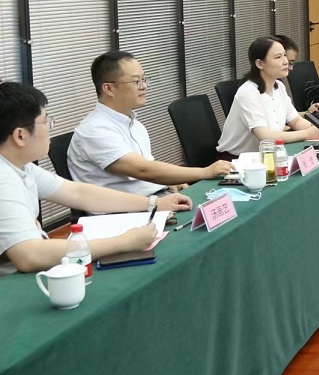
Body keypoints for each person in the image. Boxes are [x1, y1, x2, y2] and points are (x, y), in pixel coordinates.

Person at [0, 82, 192, 274]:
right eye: (45, 122)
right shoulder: (4, 179)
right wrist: (123, 242)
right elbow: (30, 255)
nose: (50, 127)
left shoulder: (22, 166)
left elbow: (79, 193)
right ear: (20, 136)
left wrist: (153, 204)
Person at [68, 51, 232, 196]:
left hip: (157, 200)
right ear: (108, 89)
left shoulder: (135, 125)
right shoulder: (94, 131)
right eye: (136, 81)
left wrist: (173, 182)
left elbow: (148, 169)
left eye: (144, 79)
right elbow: (143, 170)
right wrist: (204, 172)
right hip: (126, 213)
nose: (144, 86)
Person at [216, 37, 319, 158]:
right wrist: (308, 134)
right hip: (237, 159)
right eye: (278, 57)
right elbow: (265, 136)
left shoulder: (279, 86)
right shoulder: (248, 92)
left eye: (284, 55)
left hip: (269, 152)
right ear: (259, 64)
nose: (285, 61)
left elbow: (295, 121)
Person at [274, 34, 319, 117]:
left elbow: (288, 116)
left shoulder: (279, 84)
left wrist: (307, 113)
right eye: (289, 63)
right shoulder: (254, 91)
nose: (291, 68)